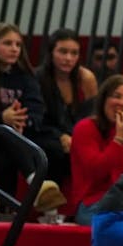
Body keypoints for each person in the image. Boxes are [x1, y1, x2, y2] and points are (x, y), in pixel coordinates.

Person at [0, 23, 65, 211]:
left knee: (21, 148)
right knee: (4, 132)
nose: (14, 49)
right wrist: (1, 118)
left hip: (14, 139)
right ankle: (37, 186)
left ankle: (9, 211)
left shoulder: (24, 75)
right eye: (7, 43)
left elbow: (37, 111)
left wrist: (21, 121)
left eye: (18, 45)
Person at [71, 75, 123, 225]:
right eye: (116, 96)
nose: (122, 103)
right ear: (103, 99)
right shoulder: (86, 128)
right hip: (93, 204)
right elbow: (96, 171)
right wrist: (119, 139)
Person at [35, 29, 99, 185]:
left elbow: (92, 117)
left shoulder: (85, 79)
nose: (68, 58)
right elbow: (37, 120)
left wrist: (76, 138)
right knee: (55, 151)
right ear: (50, 53)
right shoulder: (37, 77)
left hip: (75, 136)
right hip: (43, 135)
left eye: (74, 53)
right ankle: (51, 207)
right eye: (62, 52)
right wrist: (60, 136)